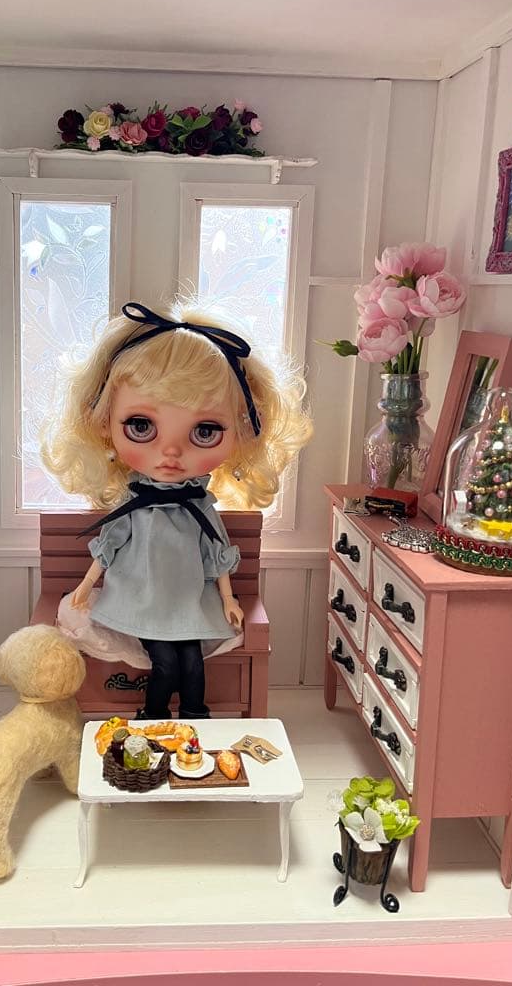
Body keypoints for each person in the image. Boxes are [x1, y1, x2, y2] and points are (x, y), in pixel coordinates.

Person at [41, 298, 312, 720]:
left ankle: (195, 720)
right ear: (102, 420)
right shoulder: (136, 505)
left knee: (192, 666)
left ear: (244, 430)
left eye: (205, 430)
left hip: (188, 601)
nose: (170, 452)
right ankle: (152, 717)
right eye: (141, 426)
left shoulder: (199, 506)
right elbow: (109, 546)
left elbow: (216, 555)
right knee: (167, 665)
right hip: (140, 601)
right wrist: (85, 585)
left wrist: (229, 599)